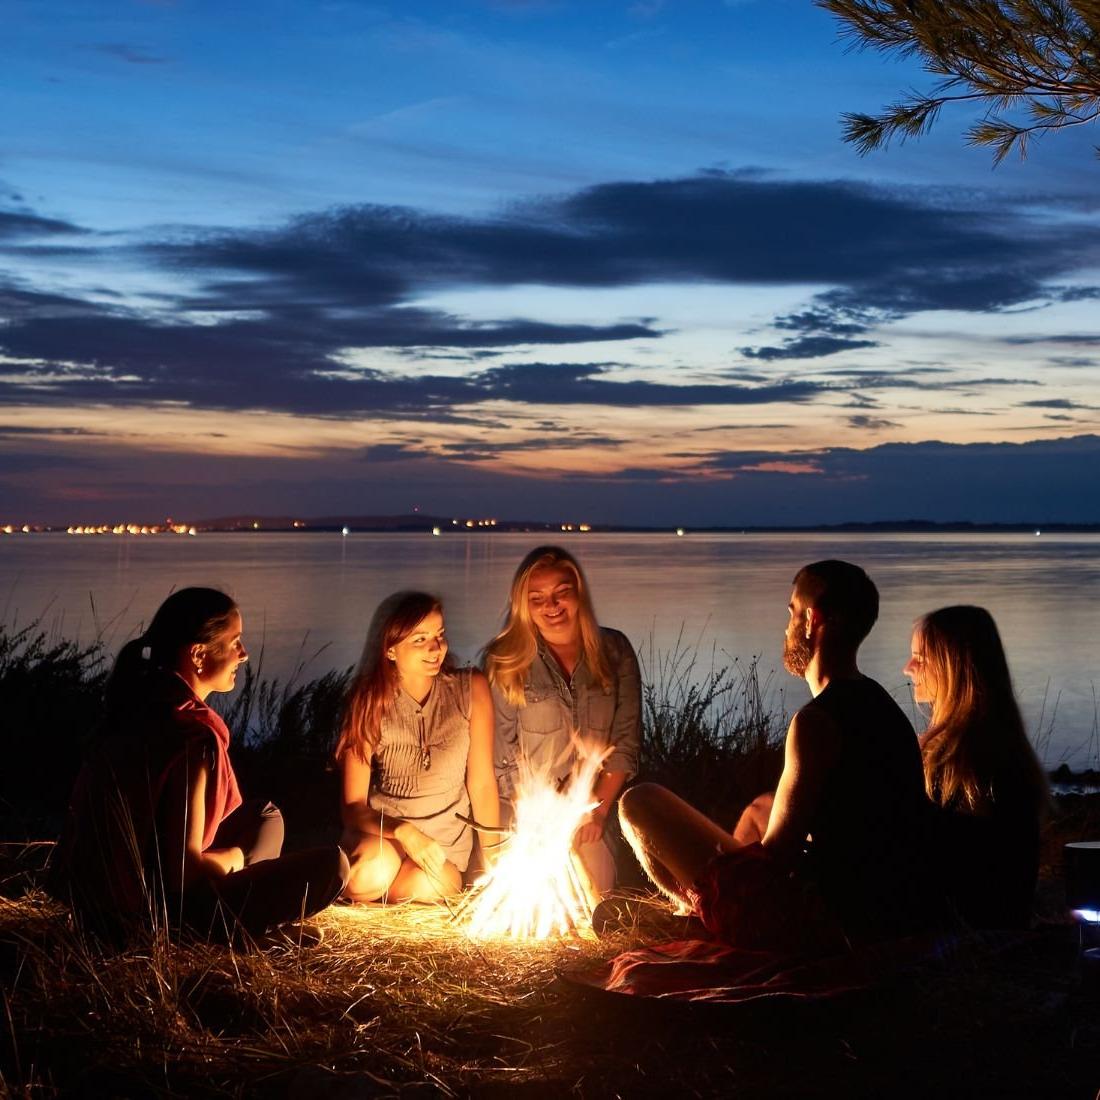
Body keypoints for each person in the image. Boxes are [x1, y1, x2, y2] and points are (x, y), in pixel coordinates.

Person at [618, 560, 936, 951]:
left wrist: (731, 861)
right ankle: (702, 913)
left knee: (639, 802)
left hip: (827, 921)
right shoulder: (880, 705)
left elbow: (777, 860)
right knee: (760, 810)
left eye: (791, 614)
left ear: (811, 620)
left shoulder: (816, 723)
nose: (786, 628)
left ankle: (702, 915)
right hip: (884, 906)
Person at [48, 587, 348, 945]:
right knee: (334, 866)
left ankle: (246, 922)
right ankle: (234, 932)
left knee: (266, 816)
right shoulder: (190, 738)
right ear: (198, 655)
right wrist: (238, 856)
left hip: (100, 905)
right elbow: (183, 873)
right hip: (156, 915)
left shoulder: (136, 707)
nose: (244, 654)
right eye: (235, 642)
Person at [483, 546, 641, 898]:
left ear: (578, 593)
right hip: (528, 817)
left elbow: (626, 744)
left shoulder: (615, 652)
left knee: (593, 899)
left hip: (591, 816)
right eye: (536, 598)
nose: (551, 606)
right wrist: (539, 818)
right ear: (523, 604)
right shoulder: (505, 660)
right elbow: (502, 756)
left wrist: (596, 812)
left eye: (561, 593)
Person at [336, 592, 500, 903]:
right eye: (420, 639)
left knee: (418, 888)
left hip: (444, 843)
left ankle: (387, 903)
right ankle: (373, 891)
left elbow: (481, 783)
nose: (436, 648)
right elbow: (353, 807)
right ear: (391, 649)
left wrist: (493, 861)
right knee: (365, 876)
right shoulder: (369, 700)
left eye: (440, 635)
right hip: (386, 834)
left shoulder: (470, 689)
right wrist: (404, 831)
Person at [904, 605, 1049, 928]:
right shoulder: (998, 743)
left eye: (921, 659)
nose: (907, 668)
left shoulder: (966, 757)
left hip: (969, 925)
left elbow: (948, 858)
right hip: (997, 916)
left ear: (953, 668)